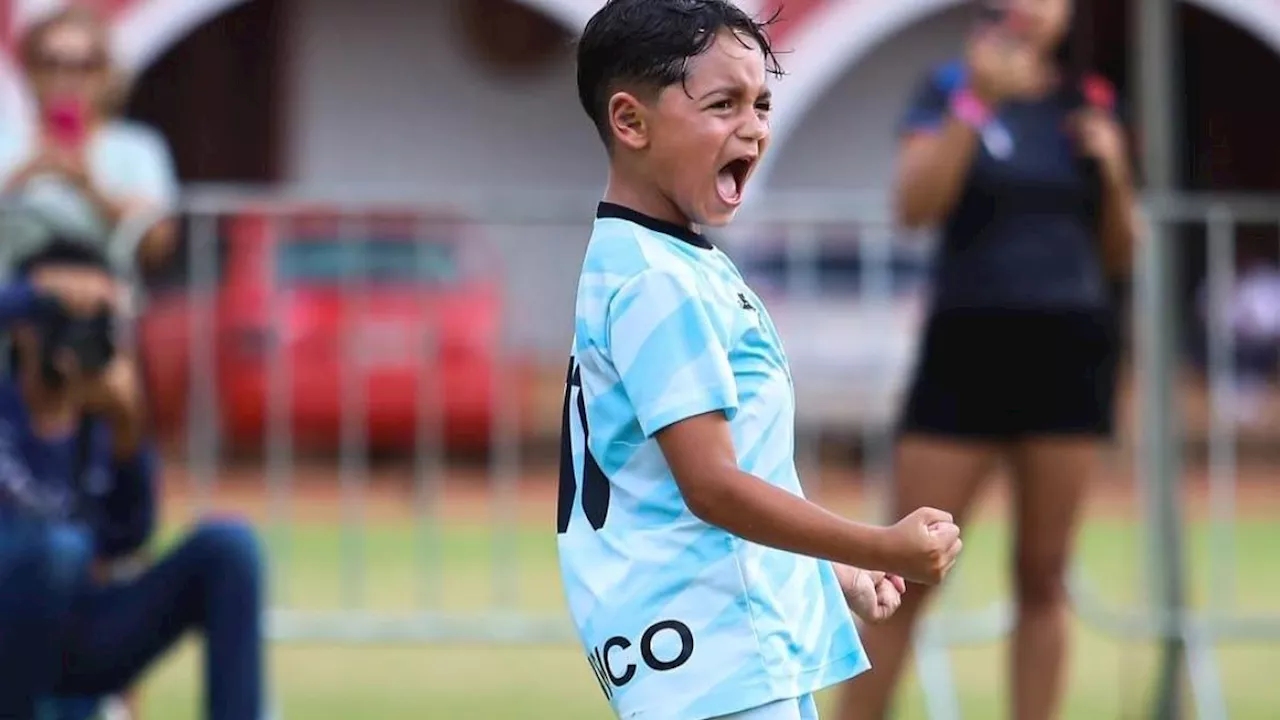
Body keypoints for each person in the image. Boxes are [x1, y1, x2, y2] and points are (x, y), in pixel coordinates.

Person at [558, 2, 965, 719]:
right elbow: (712, 486)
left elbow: (739, 469)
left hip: (730, 654)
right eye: (724, 104)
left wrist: (830, 570)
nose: (753, 126)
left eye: (762, 103)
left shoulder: (670, 260)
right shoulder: (657, 280)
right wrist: (880, 545)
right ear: (631, 122)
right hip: (714, 662)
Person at [836, 2, 1139, 719]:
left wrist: (1118, 170)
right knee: (906, 573)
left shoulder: (1090, 102)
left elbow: (1122, 252)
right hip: (965, 355)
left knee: (1044, 575)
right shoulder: (947, 89)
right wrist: (977, 103)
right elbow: (913, 206)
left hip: (1069, 356)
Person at [0, 241, 265, 720]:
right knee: (58, 549)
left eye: (93, 317)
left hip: (79, 629)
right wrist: (35, 295)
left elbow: (128, 538)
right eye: (58, 317)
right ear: (19, 328)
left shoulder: (100, 419)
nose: (72, 332)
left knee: (230, 546)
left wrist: (128, 430)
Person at [0, 5, 178, 281]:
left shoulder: (137, 147)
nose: (66, 78)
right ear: (30, 71)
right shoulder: (6, 140)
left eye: (85, 65)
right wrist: (21, 177)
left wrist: (91, 189)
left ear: (106, 74)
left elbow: (158, 244)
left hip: (103, 306)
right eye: (51, 63)